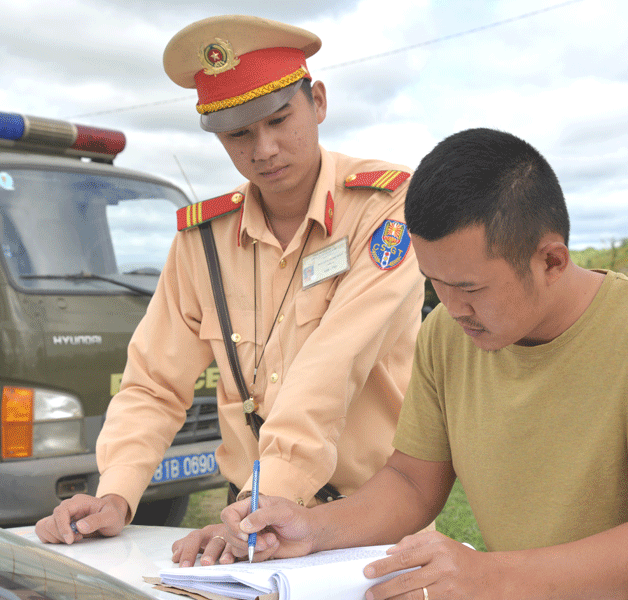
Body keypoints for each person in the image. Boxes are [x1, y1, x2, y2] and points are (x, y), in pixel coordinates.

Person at [221, 128, 628, 599]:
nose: (452, 307)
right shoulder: (446, 338)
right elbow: (411, 482)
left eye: (470, 287)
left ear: (551, 260)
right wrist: (314, 529)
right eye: (435, 283)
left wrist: (490, 577)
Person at [35, 14, 425, 565]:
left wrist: (265, 504)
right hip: (249, 514)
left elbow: (333, 365)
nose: (263, 149)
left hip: (365, 517)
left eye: (279, 120)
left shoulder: (387, 208)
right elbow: (153, 381)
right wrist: (115, 493)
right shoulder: (204, 241)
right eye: (239, 133)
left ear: (317, 101)